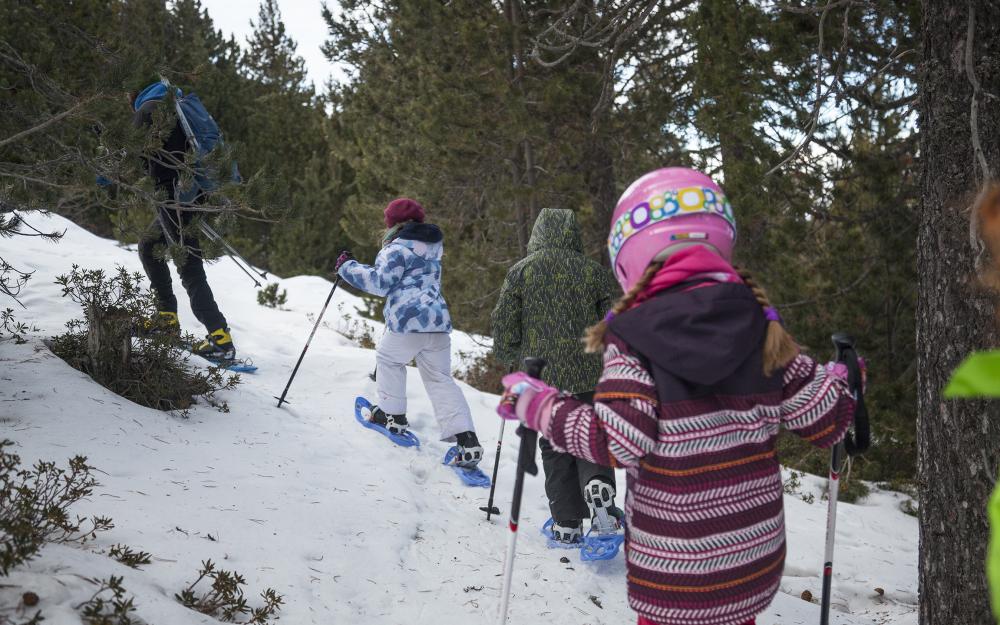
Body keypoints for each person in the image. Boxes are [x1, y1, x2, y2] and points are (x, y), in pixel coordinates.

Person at [497, 167, 857, 625]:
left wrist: (538, 403)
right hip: (749, 565)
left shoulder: (634, 340)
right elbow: (827, 415)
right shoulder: (762, 326)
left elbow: (617, 441)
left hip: (672, 570)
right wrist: (844, 376)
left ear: (628, 254)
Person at [491, 208, 622, 544]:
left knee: (555, 445)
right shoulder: (593, 272)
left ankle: (566, 523)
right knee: (590, 436)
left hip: (542, 375)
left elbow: (505, 320)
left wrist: (509, 355)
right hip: (589, 372)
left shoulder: (521, 272)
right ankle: (599, 487)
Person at [336, 198, 483, 466]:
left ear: (392, 223)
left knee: (389, 360)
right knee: (440, 378)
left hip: (407, 321)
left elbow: (380, 283)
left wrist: (347, 267)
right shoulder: (434, 246)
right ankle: (467, 440)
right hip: (437, 324)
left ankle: (392, 416)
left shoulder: (396, 249)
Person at [129, 81, 235, 361]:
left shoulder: (147, 110)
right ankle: (167, 321)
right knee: (150, 245)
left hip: (173, 197)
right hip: (191, 193)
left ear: (133, 94)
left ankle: (220, 339)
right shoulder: (177, 106)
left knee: (188, 266)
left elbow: (132, 160)